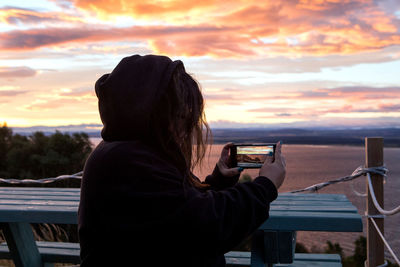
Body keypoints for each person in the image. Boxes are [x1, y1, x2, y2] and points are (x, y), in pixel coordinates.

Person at [78, 54, 286, 267]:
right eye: (182, 115)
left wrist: (218, 181)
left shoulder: (132, 152)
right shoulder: (129, 162)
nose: (187, 129)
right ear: (154, 111)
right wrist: (265, 186)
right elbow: (206, 229)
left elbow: (176, 211)